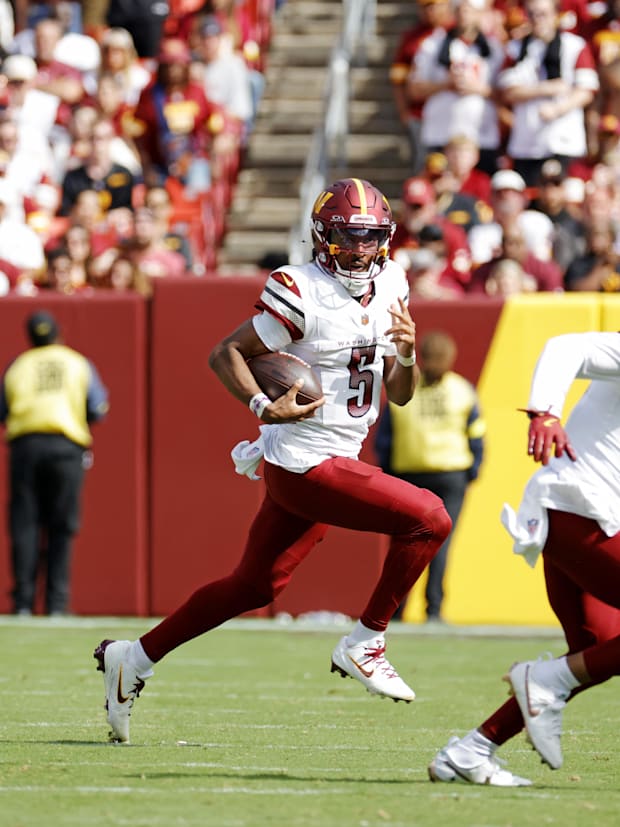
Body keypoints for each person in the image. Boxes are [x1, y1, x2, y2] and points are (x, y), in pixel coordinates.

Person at [93, 177, 452, 743]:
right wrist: (263, 405)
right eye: (346, 237)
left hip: (337, 453)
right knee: (429, 517)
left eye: (369, 238)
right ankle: (366, 641)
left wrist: (406, 351)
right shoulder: (300, 288)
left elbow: (401, 393)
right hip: (305, 460)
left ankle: (132, 657)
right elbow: (226, 352)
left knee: (255, 585)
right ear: (322, 236)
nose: (359, 250)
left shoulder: (393, 283)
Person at [429, 329, 620, 786]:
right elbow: (564, 347)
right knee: (563, 673)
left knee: (592, 653)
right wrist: (546, 412)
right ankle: (545, 681)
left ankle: (470, 751)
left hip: (572, 516)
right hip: (581, 512)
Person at [0, 310, 109, 616]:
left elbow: (3, 409)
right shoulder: (76, 362)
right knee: (62, 525)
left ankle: (22, 602)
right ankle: (57, 604)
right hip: (66, 446)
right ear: (58, 333)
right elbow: (98, 406)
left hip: (26, 446)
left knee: (24, 525)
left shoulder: (18, 365)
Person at [375, 331, 485, 623]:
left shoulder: (405, 388)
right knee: (441, 544)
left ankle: (394, 611)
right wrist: (471, 473)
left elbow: (384, 439)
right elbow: (476, 437)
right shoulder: (462, 390)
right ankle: (433, 610)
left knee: (403, 544)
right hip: (451, 475)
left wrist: (389, 474)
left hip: (408, 475)